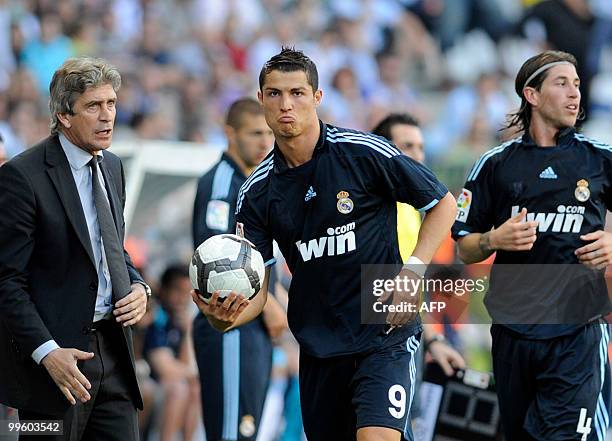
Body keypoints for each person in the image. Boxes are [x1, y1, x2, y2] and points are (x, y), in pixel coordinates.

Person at [192, 48, 457, 441]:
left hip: (383, 333)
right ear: (262, 99)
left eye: (297, 93)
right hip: (319, 351)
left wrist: (412, 270)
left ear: (317, 98)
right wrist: (222, 317)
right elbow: (260, 295)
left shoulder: (363, 152)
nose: (286, 105)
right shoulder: (257, 193)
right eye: (275, 94)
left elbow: (443, 204)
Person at [452, 50, 612, 440]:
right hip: (513, 332)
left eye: (576, 84)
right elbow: (464, 246)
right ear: (532, 94)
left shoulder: (600, 159)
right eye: (562, 83)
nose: (575, 93)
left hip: (578, 331)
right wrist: (493, 238)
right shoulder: (495, 164)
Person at [0, 57, 151, 441]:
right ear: (64, 116)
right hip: (53, 370)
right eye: (94, 106)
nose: (107, 116)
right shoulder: (21, 176)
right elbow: (6, 281)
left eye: (112, 103)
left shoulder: (113, 166)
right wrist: (47, 352)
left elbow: (113, 251)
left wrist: (138, 288)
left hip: (115, 355)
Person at [192, 97, 288, 441]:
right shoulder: (222, 184)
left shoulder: (256, 183)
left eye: (268, 134)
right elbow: (221, 262)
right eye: (255, 133)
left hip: (253, 324)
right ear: (230, 134)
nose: (265, 142)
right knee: (233, 433)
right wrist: (272, 306)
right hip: (231, 324)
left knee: (247, 431)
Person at [372, 113, 465, 377]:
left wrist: (433, 340)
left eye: (421, 148)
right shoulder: (379, 209)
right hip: (379, 343)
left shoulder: (412, 211)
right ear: (382, 149)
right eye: (408, 146)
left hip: (406, 337)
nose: (418, 156)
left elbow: (411, 287)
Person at [143, 265, 200, 441]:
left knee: (195, 389)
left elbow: (185, 365)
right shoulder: (156, 316)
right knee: (179, 388)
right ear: (163, 289)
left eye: (186, 293)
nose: (182, 299)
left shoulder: (180, 321)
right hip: (147, 380)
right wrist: (196, 373)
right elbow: (165, 370)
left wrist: (188, 333)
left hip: (164, 383)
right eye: (177, 290)